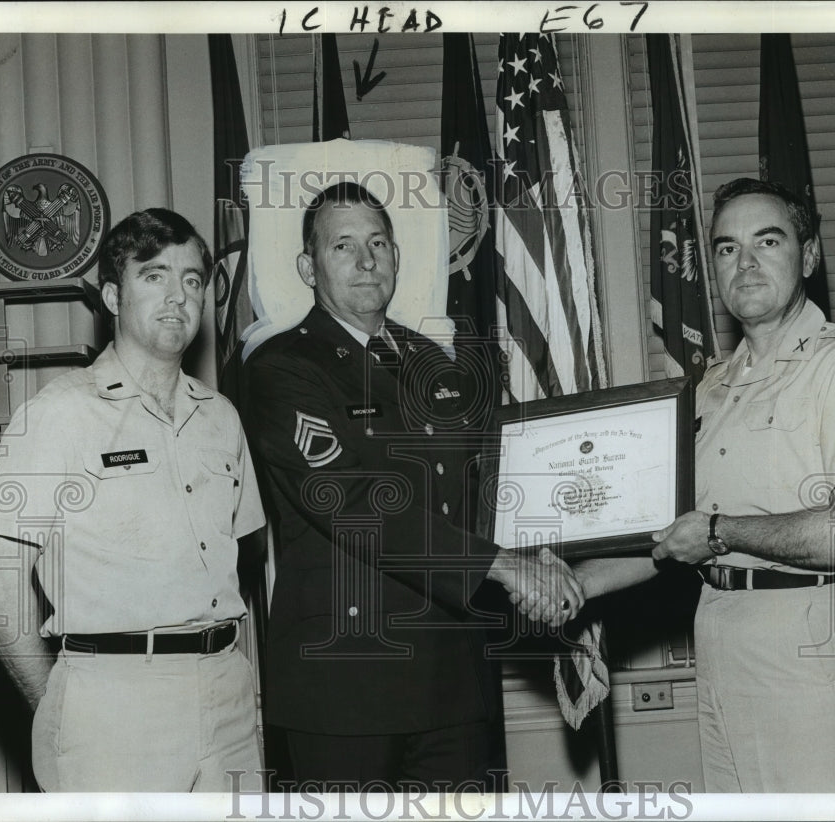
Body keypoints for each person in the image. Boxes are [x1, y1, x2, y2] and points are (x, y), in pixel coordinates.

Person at [240, 182, 584, 791]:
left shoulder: (435, 363)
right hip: (345, 681)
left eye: (378, 242)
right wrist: (504, 565)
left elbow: (487, 489)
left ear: (398, 256)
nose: (366, 260)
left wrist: (543, 547)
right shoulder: (283, 368)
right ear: (307, 266)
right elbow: (350, 502)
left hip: (453, 677)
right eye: (342, 245)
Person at [572, 178, 835, 792]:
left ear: (808, 256)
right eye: (727, 248)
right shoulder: (709, 389)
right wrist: (575, 581)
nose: (745, 263)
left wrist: (721, 534)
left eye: (767, 241)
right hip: (719, 629)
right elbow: (674, 535)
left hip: (804, 638)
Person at [0, 208, 266, 792]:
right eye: (153, 275)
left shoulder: (221, 418)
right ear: (112, 294)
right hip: (111, 707)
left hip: (228, 697)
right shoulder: (59, 414)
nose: (177, 296)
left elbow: (245, 559)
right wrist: (59, 701)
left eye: (191, 279)